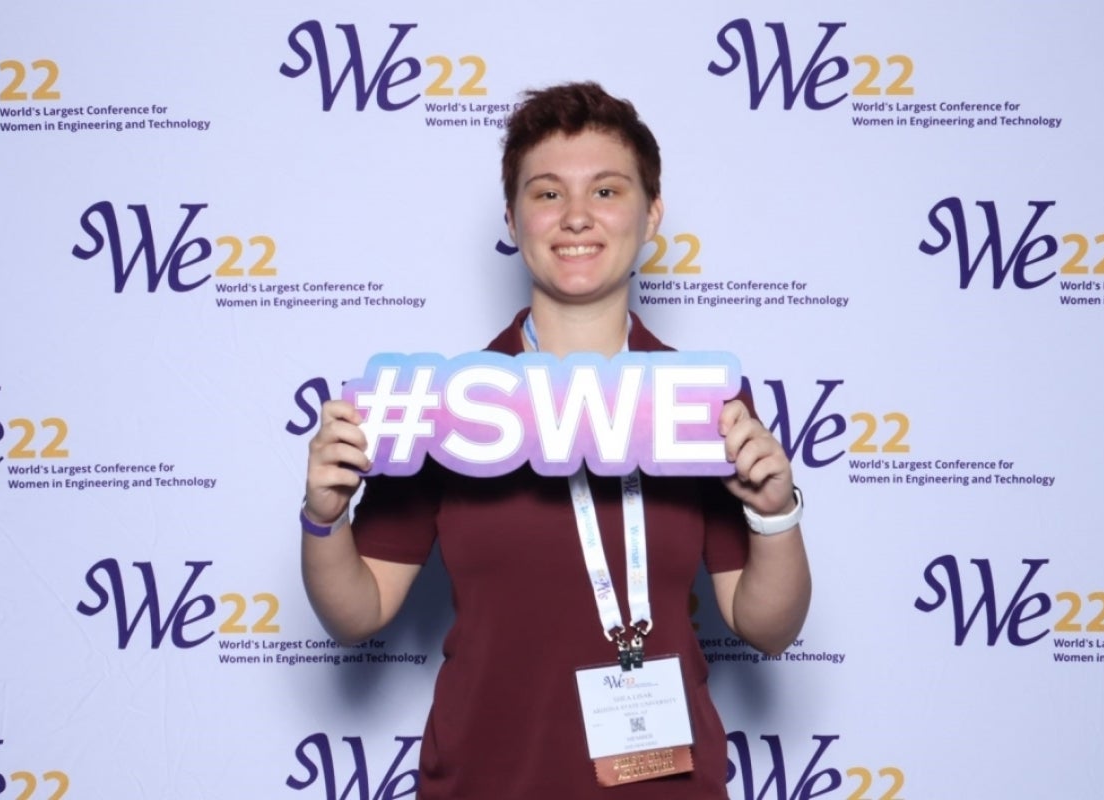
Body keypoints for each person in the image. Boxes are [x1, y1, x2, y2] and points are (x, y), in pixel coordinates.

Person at [301, 81, 811, 798]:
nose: (576, 216)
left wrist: (776, 513)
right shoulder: (447, 405)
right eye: (546, 194)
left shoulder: (702, 400)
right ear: (512, 218)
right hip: (487, 782)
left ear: (651, 212)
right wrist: (324, 519)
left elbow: (768, 628)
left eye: (606, 191)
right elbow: (358, 612)